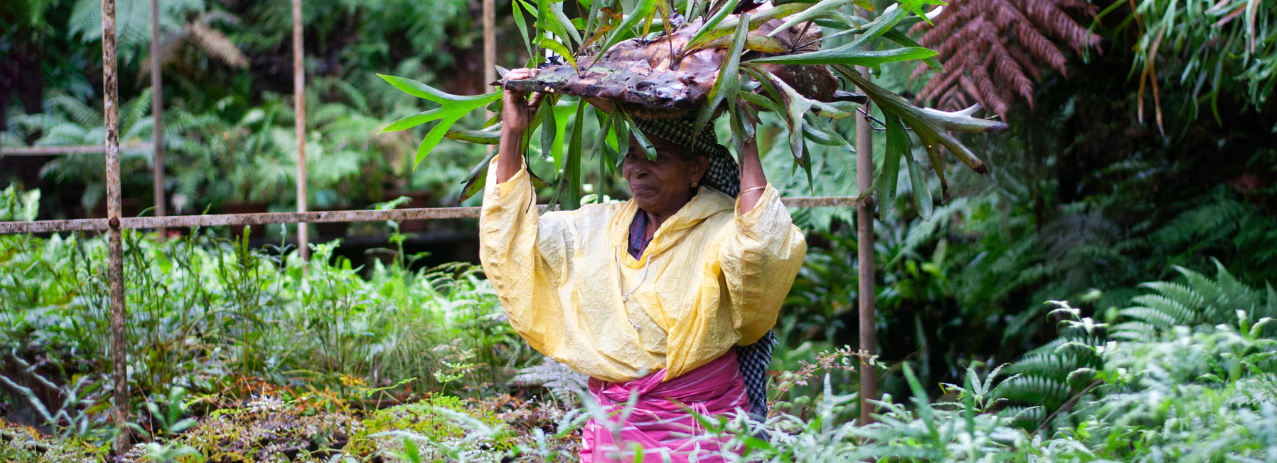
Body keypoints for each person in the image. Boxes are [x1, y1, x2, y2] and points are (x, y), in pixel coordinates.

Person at [480, 68, 806, 463]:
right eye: (632, 156)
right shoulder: (598, 227)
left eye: (657, 157)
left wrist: (747, 140)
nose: (637, 168)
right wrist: (514, 133)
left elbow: (763, 249)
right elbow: (513, 241)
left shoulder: (722, 230)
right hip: (613, 432)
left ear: (696, 169)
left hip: (701, 428)